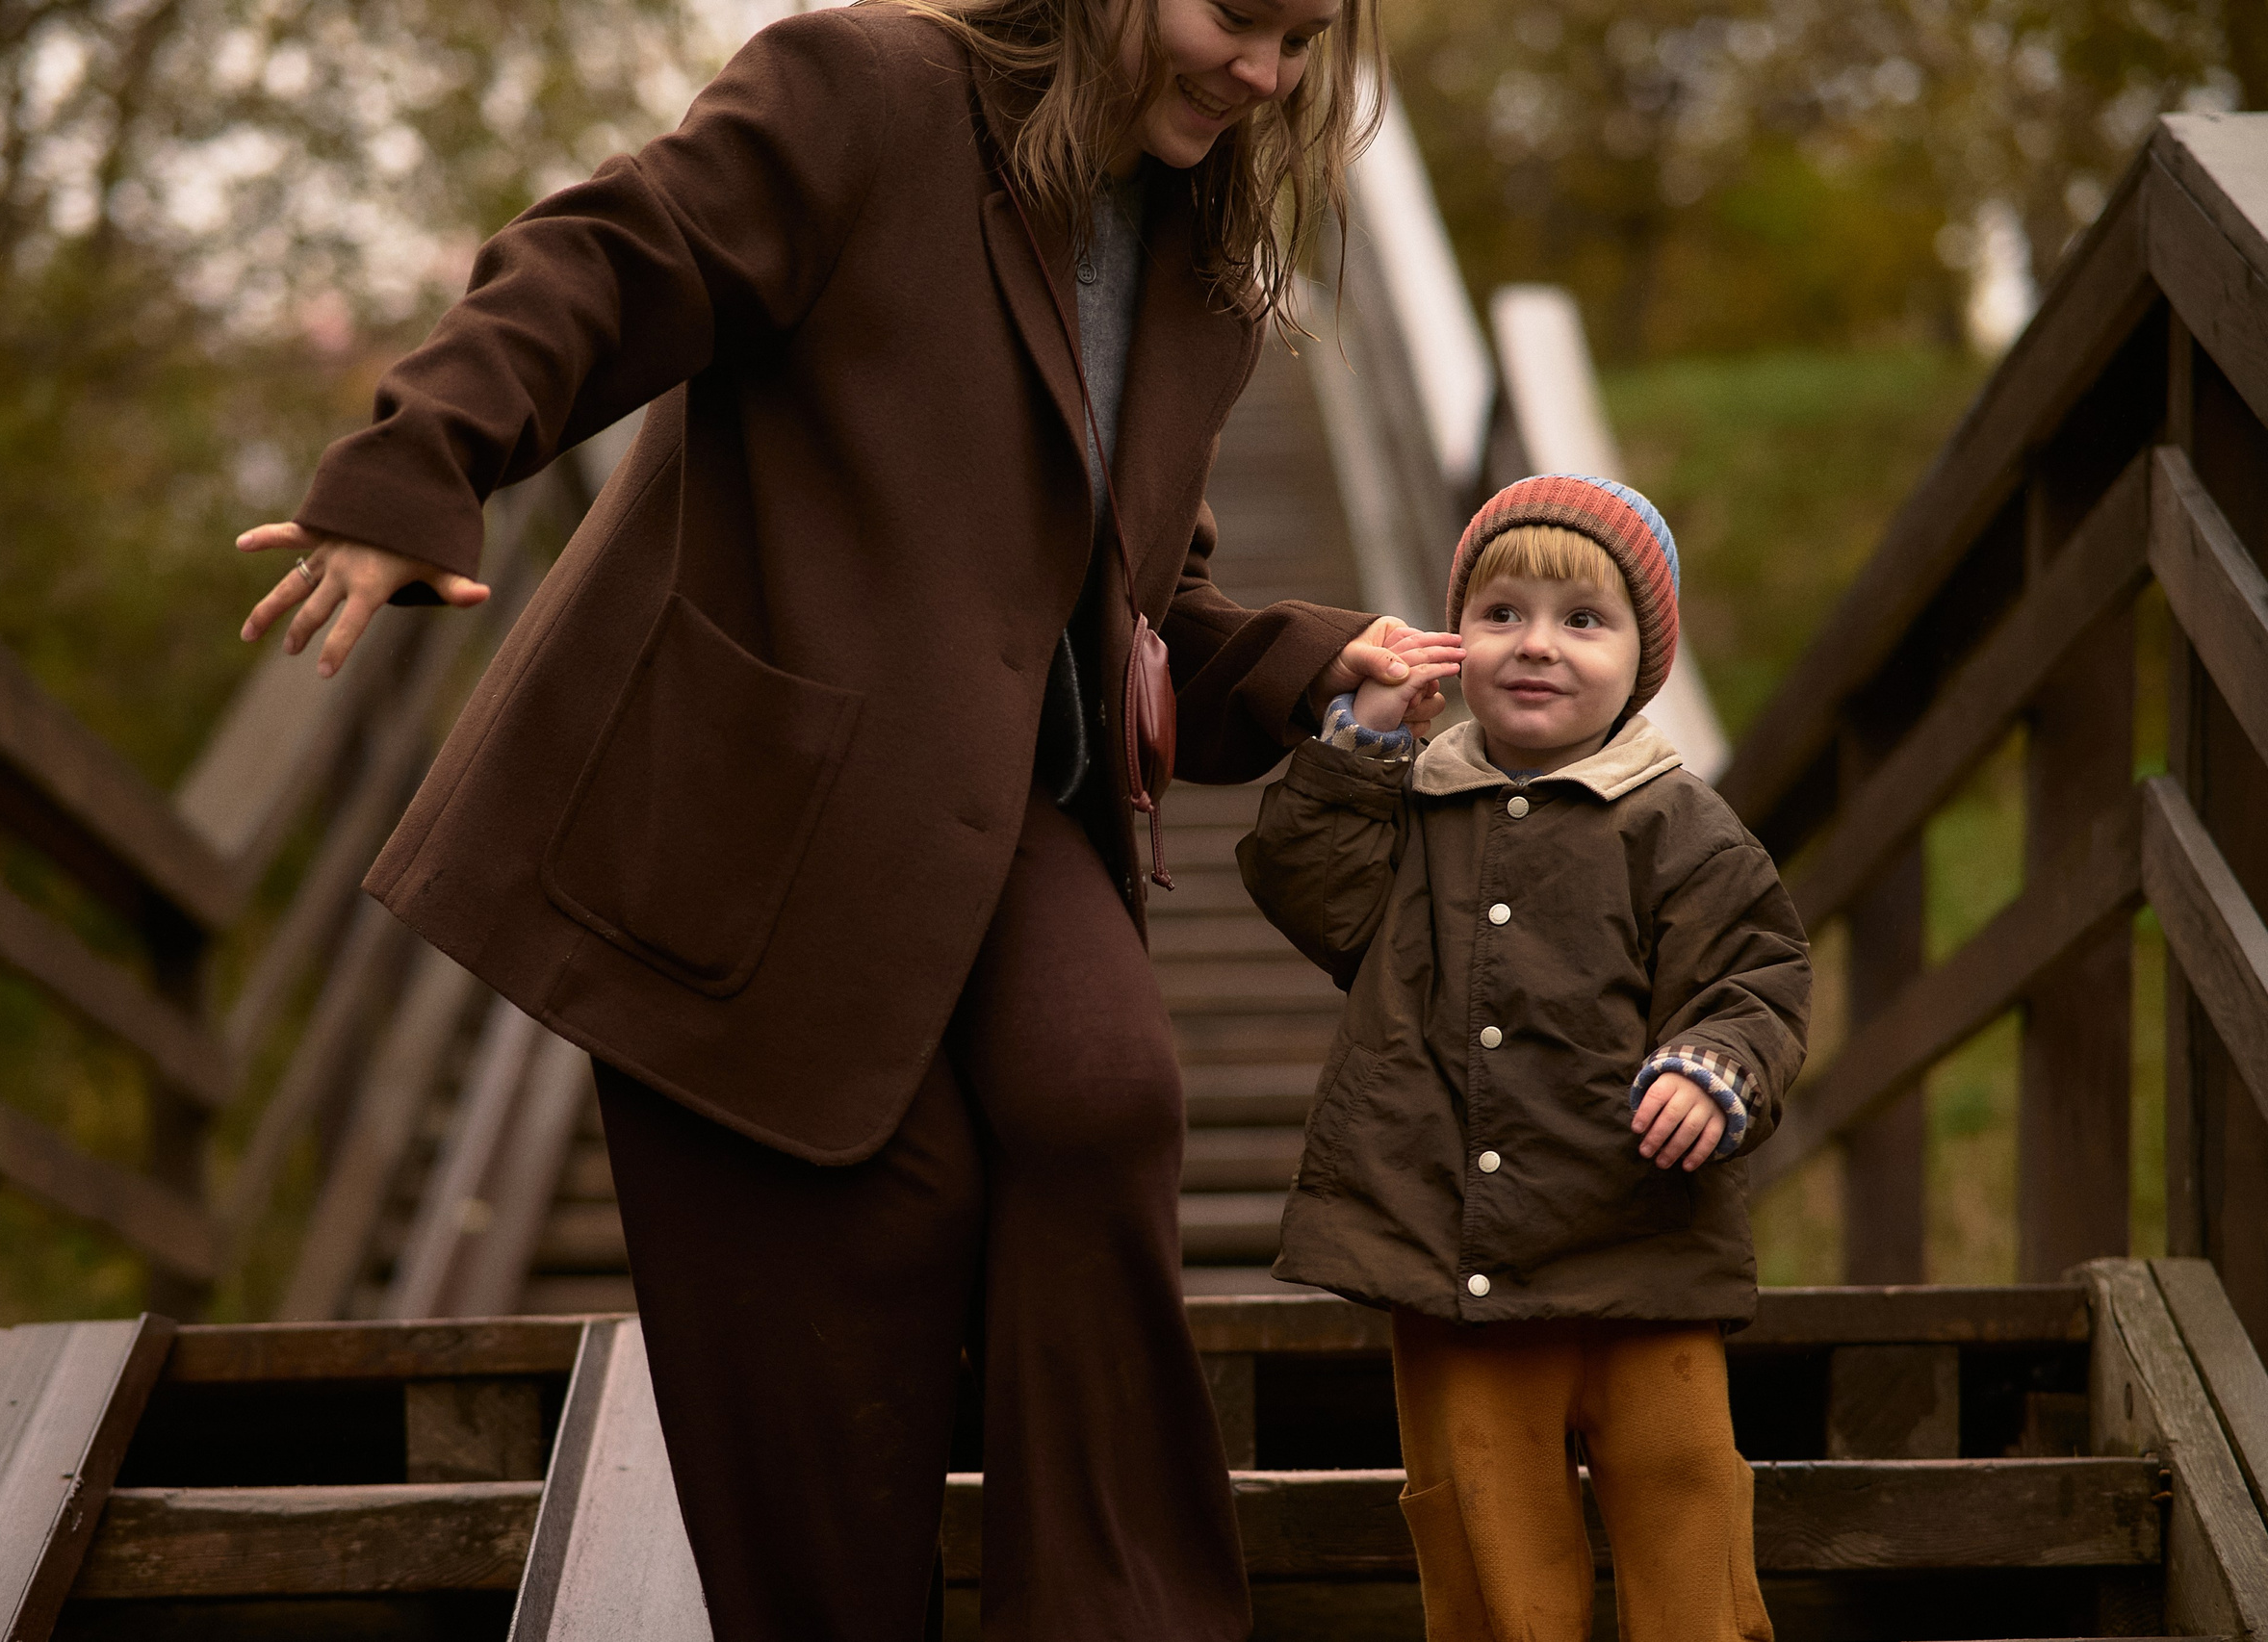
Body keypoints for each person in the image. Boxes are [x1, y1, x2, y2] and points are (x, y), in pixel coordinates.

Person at [230, 0, 1464, 1633]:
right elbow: (609, 256)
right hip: (744, 820)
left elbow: (1138, 593)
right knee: (873, 1230)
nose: (1269, 74)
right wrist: (419, 461)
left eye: (1304, 41)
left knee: (1104, 1086)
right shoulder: (866, 96)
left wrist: (1319, 668)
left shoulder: (1198, 278)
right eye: (1238, 17)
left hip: (1001, 807)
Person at [1237, 474, 1812, 1642]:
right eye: (1501, 614)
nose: (1536, 645)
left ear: (1641, 657)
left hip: (1642, 1240)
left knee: (1683, 1506)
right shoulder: (1409, 809)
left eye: (1581, 621)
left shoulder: (1678, 824)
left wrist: (1716, 1066)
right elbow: (1310, 888)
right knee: (1490, 1535)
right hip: (1463, 1265)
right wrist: (1360, 747)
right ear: (1457, 639)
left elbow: (1755, 975)